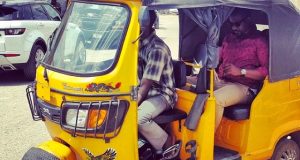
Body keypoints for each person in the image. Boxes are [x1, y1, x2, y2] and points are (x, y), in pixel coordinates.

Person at [188, 8, 269, 129]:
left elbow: (265, 72)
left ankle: (205, 141)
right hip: (222, 80)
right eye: (231, 24)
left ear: (249, 21)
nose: (234, 28)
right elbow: (218, 59)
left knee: (215, 100)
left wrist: (241, 72)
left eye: (237, 24)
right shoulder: (229, 38)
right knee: (184, 83)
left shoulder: (259, 41)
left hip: (244, 87)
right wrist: (212, 70)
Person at [138, 10, 179, 158]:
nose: (137, 29)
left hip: (163, 94)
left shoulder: (157, 49)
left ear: (150, 26)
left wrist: (131, 103)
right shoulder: (137, 43)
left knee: (137, 117)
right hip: (146, 92)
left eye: (141, 27)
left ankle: (167, 143)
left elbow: (145, 86)